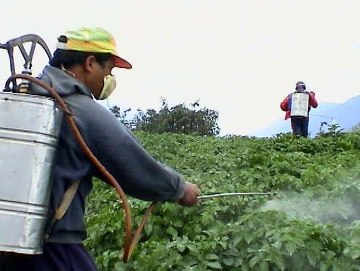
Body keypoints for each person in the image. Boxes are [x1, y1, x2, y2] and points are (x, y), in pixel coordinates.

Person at [0, 27, 200, 271]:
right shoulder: (80, 110)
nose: (110, 78)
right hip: (53, 248)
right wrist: (180, 189)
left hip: (8, 243)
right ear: (90, 63)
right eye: (110, 69)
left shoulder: (28, 98)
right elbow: (133, 163)